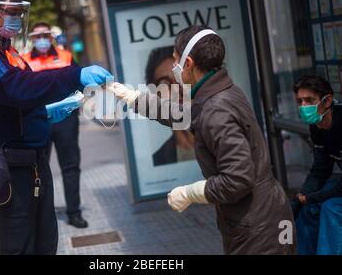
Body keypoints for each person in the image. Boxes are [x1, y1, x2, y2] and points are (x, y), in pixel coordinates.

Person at [108, 25, 296, 254]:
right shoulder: (220, 91)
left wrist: (191, 193)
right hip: (264, 218)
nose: (175, 69)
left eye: (176, 62)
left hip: (259, 230)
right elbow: (182, 115)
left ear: (188, 64)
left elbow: (238, 179)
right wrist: (134, 97)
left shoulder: (216, 108)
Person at [0, 0, 112, 254]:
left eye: (18, 13)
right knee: (19, 246)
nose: (16, 19)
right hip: (9, 168)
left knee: (44, 242)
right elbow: (15, 88)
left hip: (31, 165)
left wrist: (43, 114)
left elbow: (17, 98)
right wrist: (74, 75)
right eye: (10, 12)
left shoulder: (5, 48)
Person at [23, 22, 88, 228]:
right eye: (37, 36)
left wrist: (73, 102)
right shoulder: (23, 61)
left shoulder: (66, 56)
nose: (41, 39)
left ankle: (74, 212)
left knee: (70, 166)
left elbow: (79, 81)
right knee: (37, 170)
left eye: (45, 35)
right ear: (32, 38)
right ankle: (41, 216)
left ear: (51, 37)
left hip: (66, 120)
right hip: (38, 119)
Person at [292, 75, 342, 255]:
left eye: (309, 100)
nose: (304, 106)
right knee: (307, 208)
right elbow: (321, 168)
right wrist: (302, 196)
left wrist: (312, 197)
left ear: (327, 100)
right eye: (300, 101)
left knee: (332, 209)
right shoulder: (317, 125)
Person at [145, 46, 196, 166]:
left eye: (182, 78)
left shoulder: (230, 141)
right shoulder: (158, 161)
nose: (176, 90)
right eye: (164, 83)